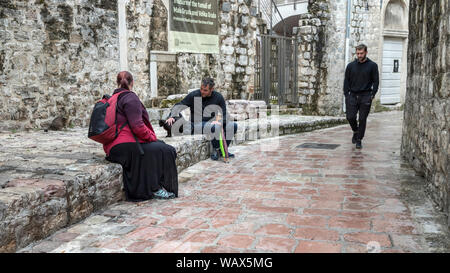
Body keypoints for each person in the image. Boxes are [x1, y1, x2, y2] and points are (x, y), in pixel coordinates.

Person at [104, 71, 178, 201]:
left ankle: (154, 186)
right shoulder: (130, 98)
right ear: (132, 83)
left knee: (158, 146)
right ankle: (155, 188)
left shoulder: (112, 98)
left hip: (113, 148)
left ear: (117, 83)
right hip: (125, 147)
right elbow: (137, 127)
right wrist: (152, 137)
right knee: (166, 150)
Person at [164, 77, 238, 160]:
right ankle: (216, 150)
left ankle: (222, 150)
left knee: (233, 125)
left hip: (212, 124)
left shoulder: (218, 97)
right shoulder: (194, 95)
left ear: (212, 89)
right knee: (215, 127)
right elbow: (179, 105)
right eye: (201, 89)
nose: (202, 91)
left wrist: (220, 121)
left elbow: (225, 114)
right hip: (196, 124)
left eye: (205, 90)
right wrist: (171, 116)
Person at [343, 44, 379, 149]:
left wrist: (372, 94)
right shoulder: (350, 66)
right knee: (350, 117)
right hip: (352, 95)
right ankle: (355, 130)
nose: (359, 55)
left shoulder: (373, 66)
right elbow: (346, 81)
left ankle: (359, 140)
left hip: (366, 95)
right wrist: (346, 95)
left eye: (361, 53)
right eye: (358, 53)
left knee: (362, 119)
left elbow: (376, 81)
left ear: (366, 53)